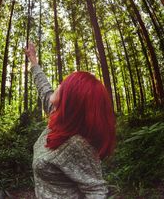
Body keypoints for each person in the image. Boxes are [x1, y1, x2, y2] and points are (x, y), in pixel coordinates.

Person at [25, 42, 116, 199]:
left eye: (64, 84)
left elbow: (97, 191)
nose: (59, 84)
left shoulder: (76, 144)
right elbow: (44, 89)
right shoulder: (58, 115)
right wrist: (33, 61)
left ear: (72, 100)